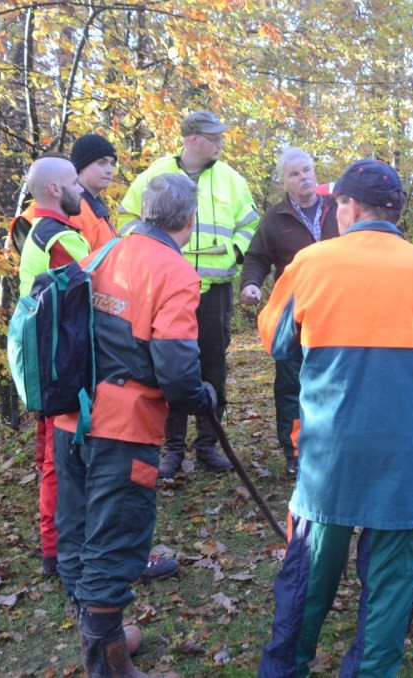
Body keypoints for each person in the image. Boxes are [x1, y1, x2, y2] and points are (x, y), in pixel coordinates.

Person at [258, 159, 413, 676]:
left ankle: (286, 667)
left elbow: (275, 341)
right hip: (403, 453)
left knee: (307, 580)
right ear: (395, 212)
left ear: (347, 206)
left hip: (330, 455)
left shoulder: (311, 263)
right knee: (391, 588)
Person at [54, 174, 215, 673]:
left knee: (78, 535)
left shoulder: (101, 254)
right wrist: (202, 397)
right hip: (123, 432)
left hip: (71, 420)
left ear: (144, 212)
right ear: (188, 221)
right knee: (115, 543)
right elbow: (176, 367)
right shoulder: (176, 272)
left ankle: (103, 637)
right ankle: (109, 665)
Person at [119, 110, 260, 478]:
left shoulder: (232, 179)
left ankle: (208, 446)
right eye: (215, 137)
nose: (221, 143)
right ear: (193, 138)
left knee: (213, 366)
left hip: (213, 294)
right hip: (163, 292)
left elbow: (250, 224)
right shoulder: (154, 175)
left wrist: (233, 253)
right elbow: (125, 219)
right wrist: (151, 255)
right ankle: (172, 450)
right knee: (168, 367)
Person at [238, 148, 339, 480]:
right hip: (295, 317)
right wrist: (251, 285)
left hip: (340, 313)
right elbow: (256, 257)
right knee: (291, 386)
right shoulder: (275, 218)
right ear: (284, 182)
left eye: (307, 170)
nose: (304, 177)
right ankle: (295, 451)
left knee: (337, 382)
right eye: (295, 174)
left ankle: (334, 445)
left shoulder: (340, 208)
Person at [16, 155, 89, 577]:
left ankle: (54, 549)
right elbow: (98, 285)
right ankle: (57, 551)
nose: (81, 190)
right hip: (60, 363)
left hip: (46, 358)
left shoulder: (37, 232)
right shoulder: (58, 238)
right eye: (75, 183)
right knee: (58, 459)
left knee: (53, 458)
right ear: (56, 190)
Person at [70, 133, 119, 250]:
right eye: (102, 163)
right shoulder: (74, 210)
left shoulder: (94, 205)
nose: (109, 170)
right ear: (81, 167)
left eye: (112, 163)